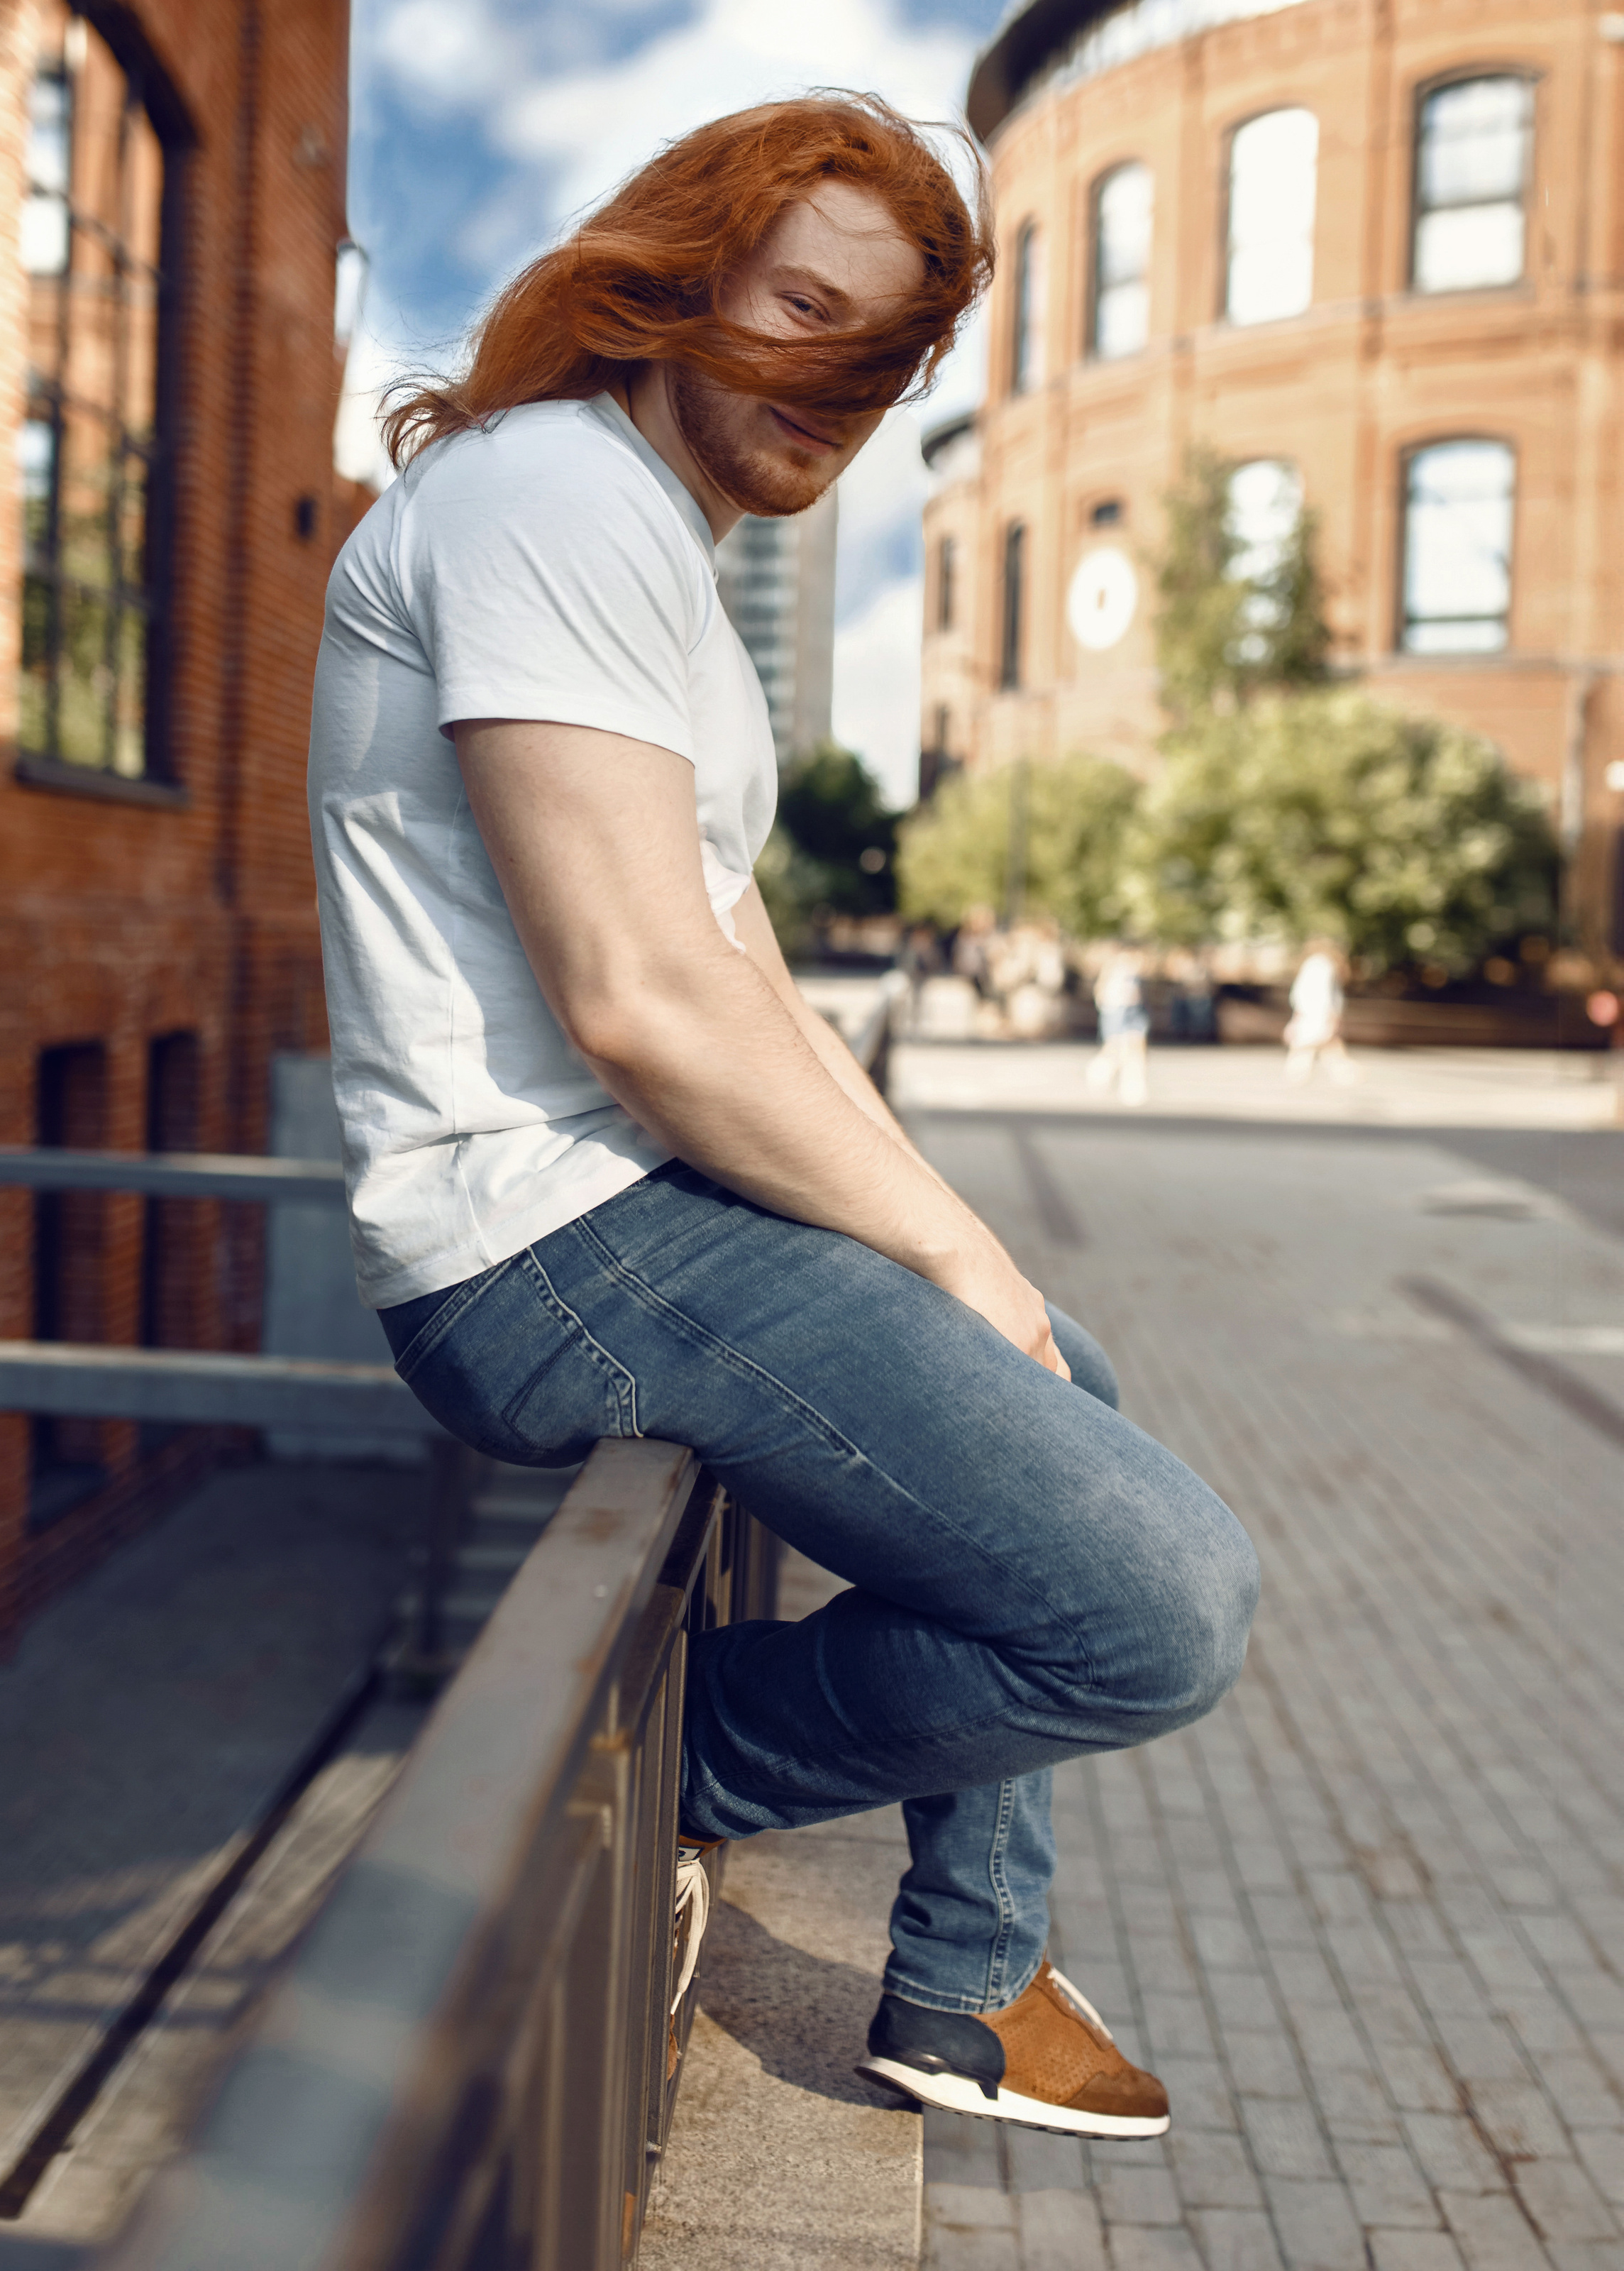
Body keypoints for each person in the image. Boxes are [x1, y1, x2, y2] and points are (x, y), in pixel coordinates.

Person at [307, 94, 1256, 2140]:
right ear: (670, 280)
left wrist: (969, 1261)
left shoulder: (648, 541)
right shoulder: (549, 493)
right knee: (1160, 1609)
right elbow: (641, 1000)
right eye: (800, 308)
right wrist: (939, 1247)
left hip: (629, 1204)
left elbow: (747, 988)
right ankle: (657, 1761)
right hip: (542, 1240)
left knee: (1058, 1370)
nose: (835, 376)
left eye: (881, 347)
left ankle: (968, 1984)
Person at [1284, 939, 1354, 1085]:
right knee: (1325, 1046)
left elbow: (1303, 994)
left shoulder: (1316, 964)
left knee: (1313, 1046)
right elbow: (1324, 995)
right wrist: (1332, 1016)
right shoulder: (1322, 965)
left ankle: (1296, 1076)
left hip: (1313, 1015)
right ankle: (1346, 1074)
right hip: (1317, 1015)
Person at [1088, 947, 1151, 1106]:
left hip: (1134, 1010)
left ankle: (1134, 1087)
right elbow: (1101, 992)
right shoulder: (1114, 971)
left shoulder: (1135, 974)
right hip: (1116, 1010)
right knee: (1114, 1048)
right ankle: (1099, 1073)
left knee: (1137, 1048)